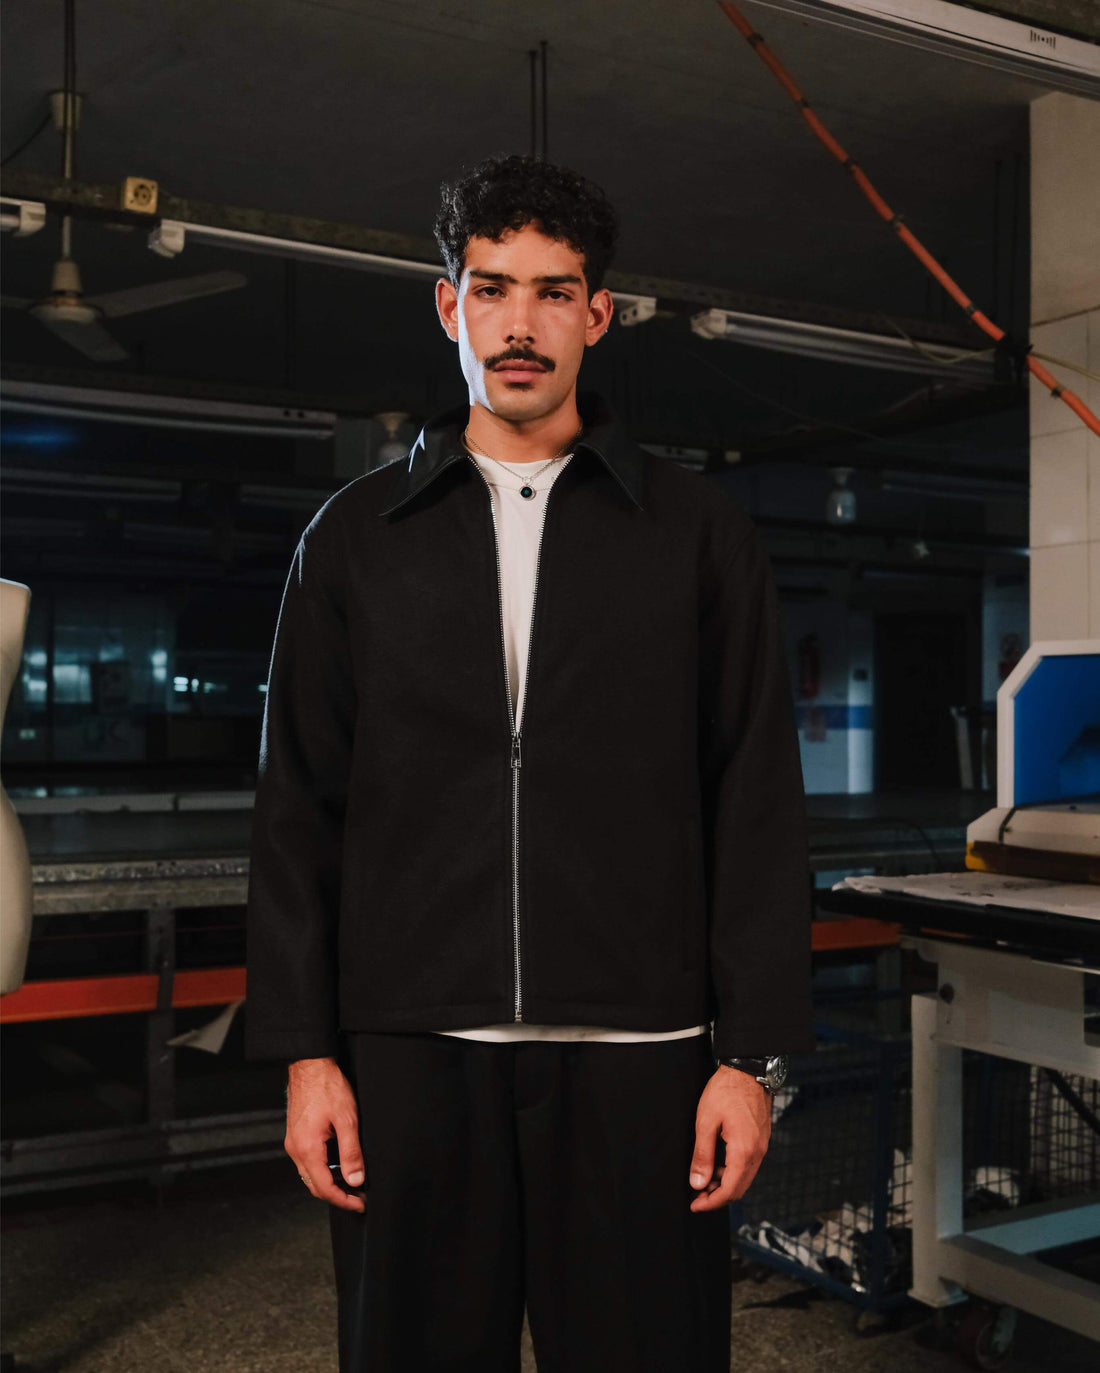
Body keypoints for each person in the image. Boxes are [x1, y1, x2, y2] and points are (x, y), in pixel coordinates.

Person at [245, 153, 813, 1373]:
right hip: (411, 1054)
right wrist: (305, 1052)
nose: (520, 323)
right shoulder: (352, 542)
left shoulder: (694, 536)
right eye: (492, 287)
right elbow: (298, 805)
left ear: (596, 316)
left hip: (642, 1061)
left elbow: (755, 796)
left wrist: (748, 1058)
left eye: (553, 292)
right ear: (447, 304)